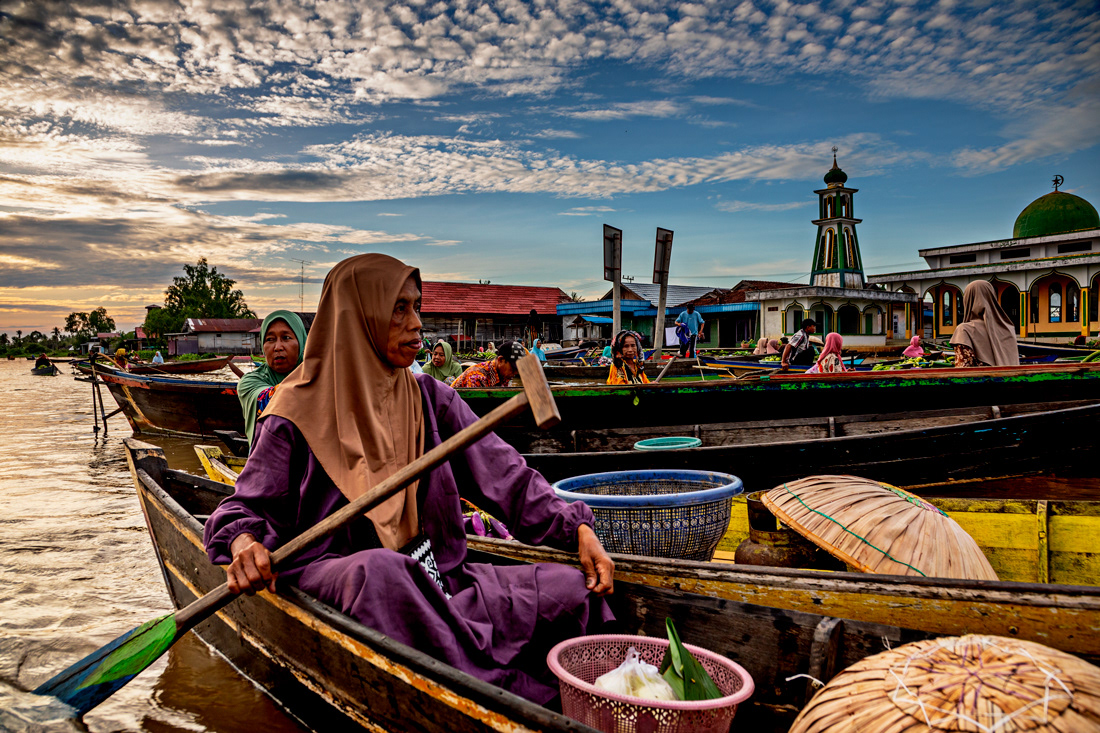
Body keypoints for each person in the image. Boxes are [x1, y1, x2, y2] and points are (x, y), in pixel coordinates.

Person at [203, 254, 614, 704]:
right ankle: (499, 694)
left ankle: (499, 675)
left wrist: (575, 527)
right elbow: (243, 508)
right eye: (400, 309)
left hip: (439, 580)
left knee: (571, 589)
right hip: (352, 583)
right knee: (382, 572)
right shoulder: (291, 412)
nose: (418, 324)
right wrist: (244, 544)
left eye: (416, 307)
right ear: (360, 316)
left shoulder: (427, 397)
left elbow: (505, 473)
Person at [236, 310, 308, 445]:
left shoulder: (316, 373)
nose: (278, 347)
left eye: (286, 338)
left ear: (301, 342)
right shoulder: (249, 382)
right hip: (269, 461)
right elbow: (269, 400)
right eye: (270, 339)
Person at [951, 280, 1020, 368]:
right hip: (1011, 379)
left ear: (968, 300)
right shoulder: (1008, 329)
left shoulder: (964, 330)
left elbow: (962, 371)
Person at [451, 340, 523, 388]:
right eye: (513, 368)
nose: (515, 373)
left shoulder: (502, 375)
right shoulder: (476, 377)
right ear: (500, 360)